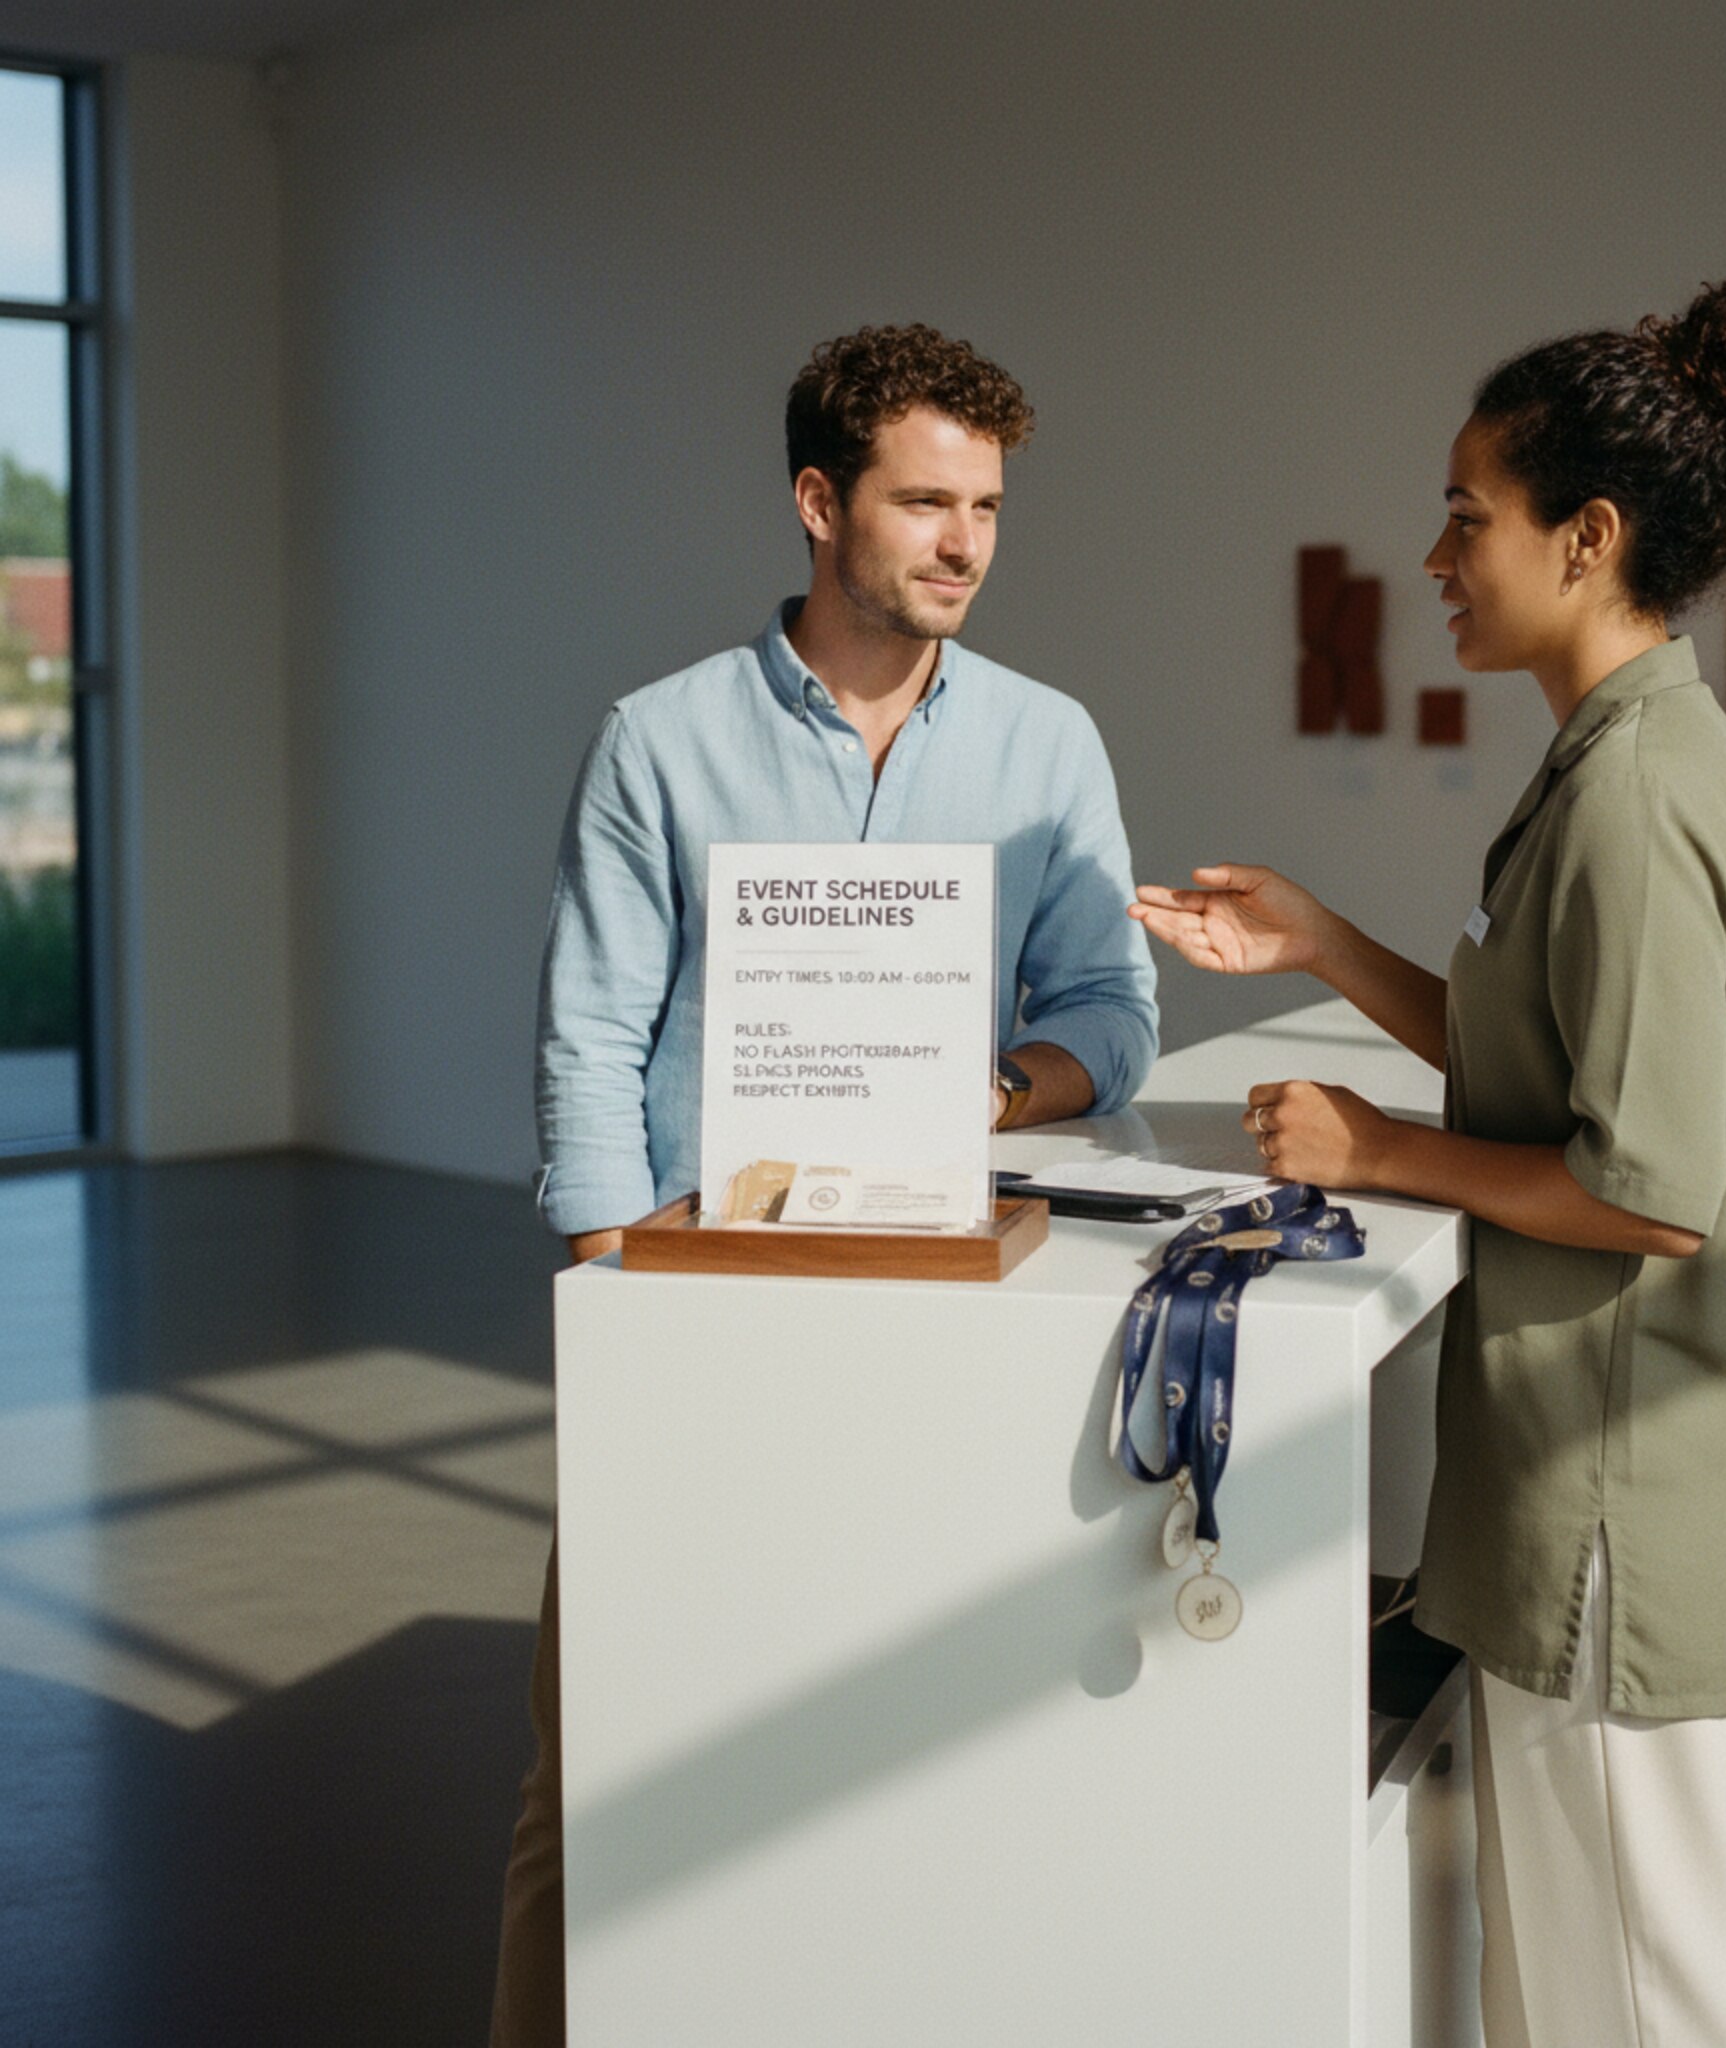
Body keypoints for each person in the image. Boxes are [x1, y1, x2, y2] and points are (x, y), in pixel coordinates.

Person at [1131, 280, 1726, 2048]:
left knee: (1642, 2002)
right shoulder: (1619, 755)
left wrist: (1383, 1149)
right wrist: (1324, 945)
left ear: (1586, 539)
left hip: (1625, 1508)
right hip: (1594, 1486)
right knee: (1574, 1986)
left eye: (1465, 513)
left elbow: (1653, 1191)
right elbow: (1548, 1056)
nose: (1435, 554)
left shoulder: (1638, 794)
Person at [491, 323, 1159, 2048]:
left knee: (897, 1759)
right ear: (816, 501)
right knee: (605, 1772)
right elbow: (586, 1047)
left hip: (946, 1316)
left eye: (989, 507)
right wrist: (616, 1305)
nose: (965, 543)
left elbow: (1110, 1014)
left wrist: (992, 1086)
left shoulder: (1047, 743)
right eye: (925, 502)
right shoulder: (660, 743)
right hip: (695, 1302)